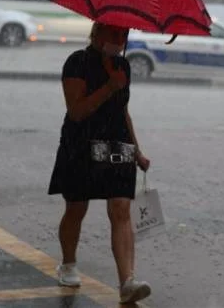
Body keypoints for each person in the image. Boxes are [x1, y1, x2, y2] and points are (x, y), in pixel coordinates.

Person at [48, 22, 152, 304]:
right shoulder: (76, 63)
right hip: (81, 144)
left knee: (120, 209)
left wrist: (138, 151)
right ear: (96, 33)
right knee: (76, 208)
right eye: (114, 34)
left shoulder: (124, 66)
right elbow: (77, 111)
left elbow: (123, 111)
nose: (119, 40)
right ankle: (68, 263)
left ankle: (127, 281)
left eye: (124, 35)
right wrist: (109, 87)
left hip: (117, 144)